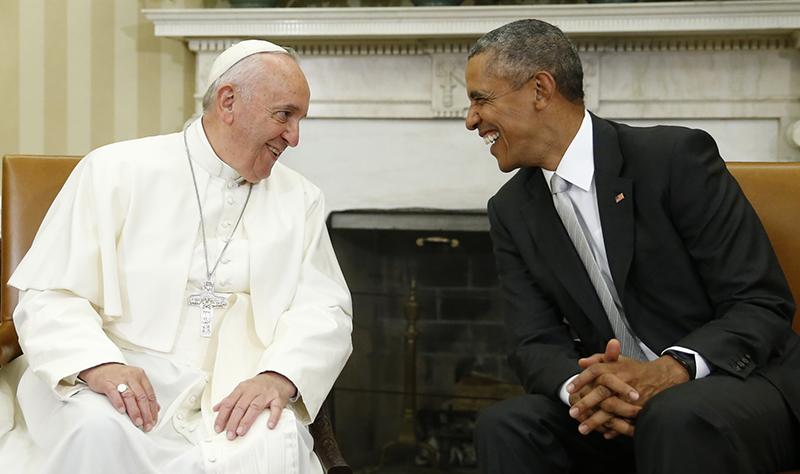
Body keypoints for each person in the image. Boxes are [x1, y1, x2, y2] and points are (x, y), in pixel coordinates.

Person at [2, 39, 352, 474]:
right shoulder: (114, 170)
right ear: (228, 102)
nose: (294, 137)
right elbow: (49, 293)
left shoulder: (301, 198)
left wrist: (279, 376)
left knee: (273, 439)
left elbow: (326, 311)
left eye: (300, 120)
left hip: (233, 392)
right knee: (95, 430)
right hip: (115, 377)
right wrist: (97, 364)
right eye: (284, 115)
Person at [466, 19, 800, 474]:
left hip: (737, 381)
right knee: (506, 425)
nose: (471, 120)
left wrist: (668, 372)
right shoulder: (511, 209)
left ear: (540, 90)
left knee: (674, 415)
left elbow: (760, 302)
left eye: (481, 100)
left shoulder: (674, 158)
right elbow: (534, 342)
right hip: (617, 406)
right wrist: (586, 394)